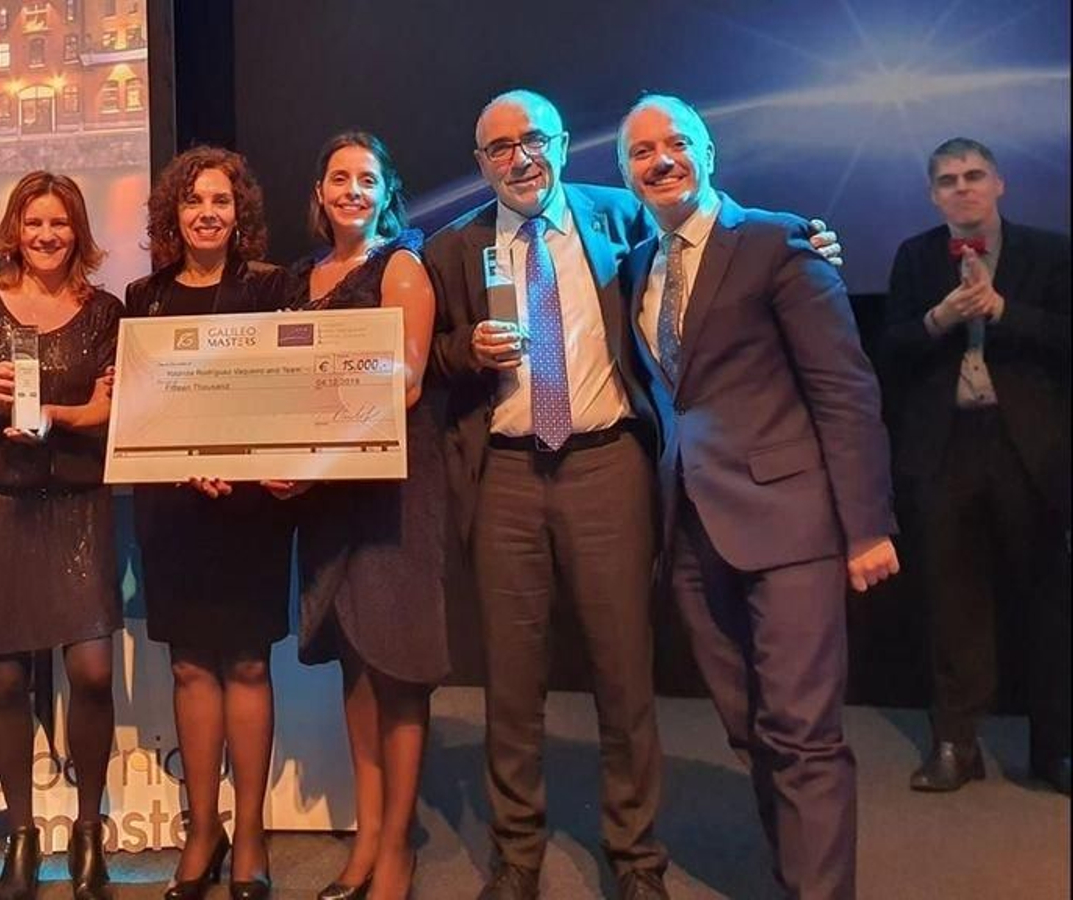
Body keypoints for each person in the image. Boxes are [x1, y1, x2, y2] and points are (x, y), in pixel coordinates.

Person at [617, 94, 898, 900]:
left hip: (792, 527)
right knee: (751, 732)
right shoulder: (638, 263)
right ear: (626, 174)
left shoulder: (778, 241)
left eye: (677, 143)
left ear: (710, 152)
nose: (661, 160)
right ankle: (795, 876)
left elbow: (844, 392)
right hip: (693, 534)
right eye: (641, 151)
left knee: (803, 734)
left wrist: (866, 525)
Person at [425, 90, 669, 900]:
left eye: (533, 140)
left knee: (623, 671)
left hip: (606, 465)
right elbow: (427, 357)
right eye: (499, 148)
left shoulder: (619, 218)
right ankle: (517, 856)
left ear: (563, 144)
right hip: (506, 475)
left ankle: (637, 859)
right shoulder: (456, 248)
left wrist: (802, 235)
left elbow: (707, 229)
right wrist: (467, 347)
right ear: (479, 163)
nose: (519, 158)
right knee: (511, 676)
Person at [0, 171, 124, 900]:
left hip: (77, 505)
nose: (48, 235)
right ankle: (21, 835)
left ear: (79, 231)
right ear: (15, 228)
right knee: (5, 680)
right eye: (35, 222)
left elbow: (111, 413)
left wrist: (63, 416)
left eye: (62, 223)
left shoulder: (103, 312)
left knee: (94, 673)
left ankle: (86, 831)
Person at [275, 132, 445, 900]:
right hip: (328, 497)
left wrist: (307, 459)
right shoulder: (302, 278)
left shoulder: (401, 264)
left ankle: (399, 848)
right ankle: (368, 837)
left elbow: (402, 386)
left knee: (399, 670)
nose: (351, 190)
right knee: (354, 664)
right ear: (319, 192)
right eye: (337, 177)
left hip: (390, 494)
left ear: (386, 190)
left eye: (365, 178)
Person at [124, 146, 296, 900]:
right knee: (190, 664)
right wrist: (184, 455)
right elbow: (143, 405)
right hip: (173, 501)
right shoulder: (144, 296)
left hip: (251, 502)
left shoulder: (271, 288)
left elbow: (285, 388)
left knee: (250, 664)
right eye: (194, 200)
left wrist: (239, 453)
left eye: (221, 200)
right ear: (173, 214)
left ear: (240, 214)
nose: (207, 212)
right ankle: (203, 829)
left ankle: (251, 832)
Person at [883, 137, 1071, 795]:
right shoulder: (914, 256)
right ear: (934, 195)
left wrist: (1004, 312)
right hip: (945, 447)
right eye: (947, 180)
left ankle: (1056, 750)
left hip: (1031, 449)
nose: (962, 188)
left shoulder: (1050, 252)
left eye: (974, 176)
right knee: (949, 599)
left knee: (1049, 600)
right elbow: (888, 350)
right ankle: (955, 745)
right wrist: (938, 317)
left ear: (999, 183)